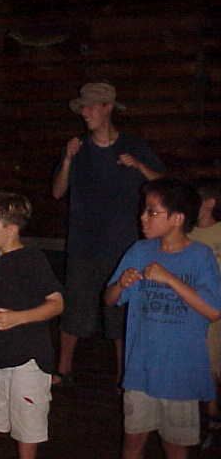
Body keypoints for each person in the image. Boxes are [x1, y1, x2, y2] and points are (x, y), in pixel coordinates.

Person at [51, 82, 165, 386]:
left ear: (108, 108)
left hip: (123, 246)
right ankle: (63, 370)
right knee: (76, 306)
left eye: (90, 107)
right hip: (83, 245)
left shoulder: (133, 146)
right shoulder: (78, 148)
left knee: (122, 311)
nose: (85, 113)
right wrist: (67, 160)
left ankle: (124, 376)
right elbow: (57, 192)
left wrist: (138, 166)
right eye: (82, 108)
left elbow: (162, 183)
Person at [104, 178, 221, 458]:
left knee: (175, 446)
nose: (143, 217)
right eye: (144, 210)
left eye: (152, 212)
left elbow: (213, 311)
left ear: (177, 219)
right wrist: (120, 284)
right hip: (141, 368)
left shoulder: (200, 256)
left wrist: (170, 279)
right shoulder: (139, 251)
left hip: (180, 372)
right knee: (133, 443)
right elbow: (109, 299)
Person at [0, 192, 63, 459]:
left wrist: (19, 318)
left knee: (27, 424)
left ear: (11, 229)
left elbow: (56, 304)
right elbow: (0, 315)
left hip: (28, 359)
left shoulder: (32, 259)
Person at [188, 177, 221, 436]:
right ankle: (212, 414)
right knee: (207, 362)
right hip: (199, 309)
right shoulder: (188, 235)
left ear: (209, 203)